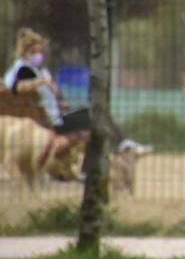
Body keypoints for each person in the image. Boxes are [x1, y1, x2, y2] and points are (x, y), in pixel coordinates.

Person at [3, 27, 151, 160]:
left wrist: (56, 98)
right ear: (24, 52)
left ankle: (119, 147)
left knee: (90, 114)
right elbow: (18, 88)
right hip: (51, 124)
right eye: (34, 52)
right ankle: (121, 146)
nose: (39, 55)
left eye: (40, 52)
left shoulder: (23, 70)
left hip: (49, 118)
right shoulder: (24, 70)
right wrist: (42, 82)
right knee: (95, 115)